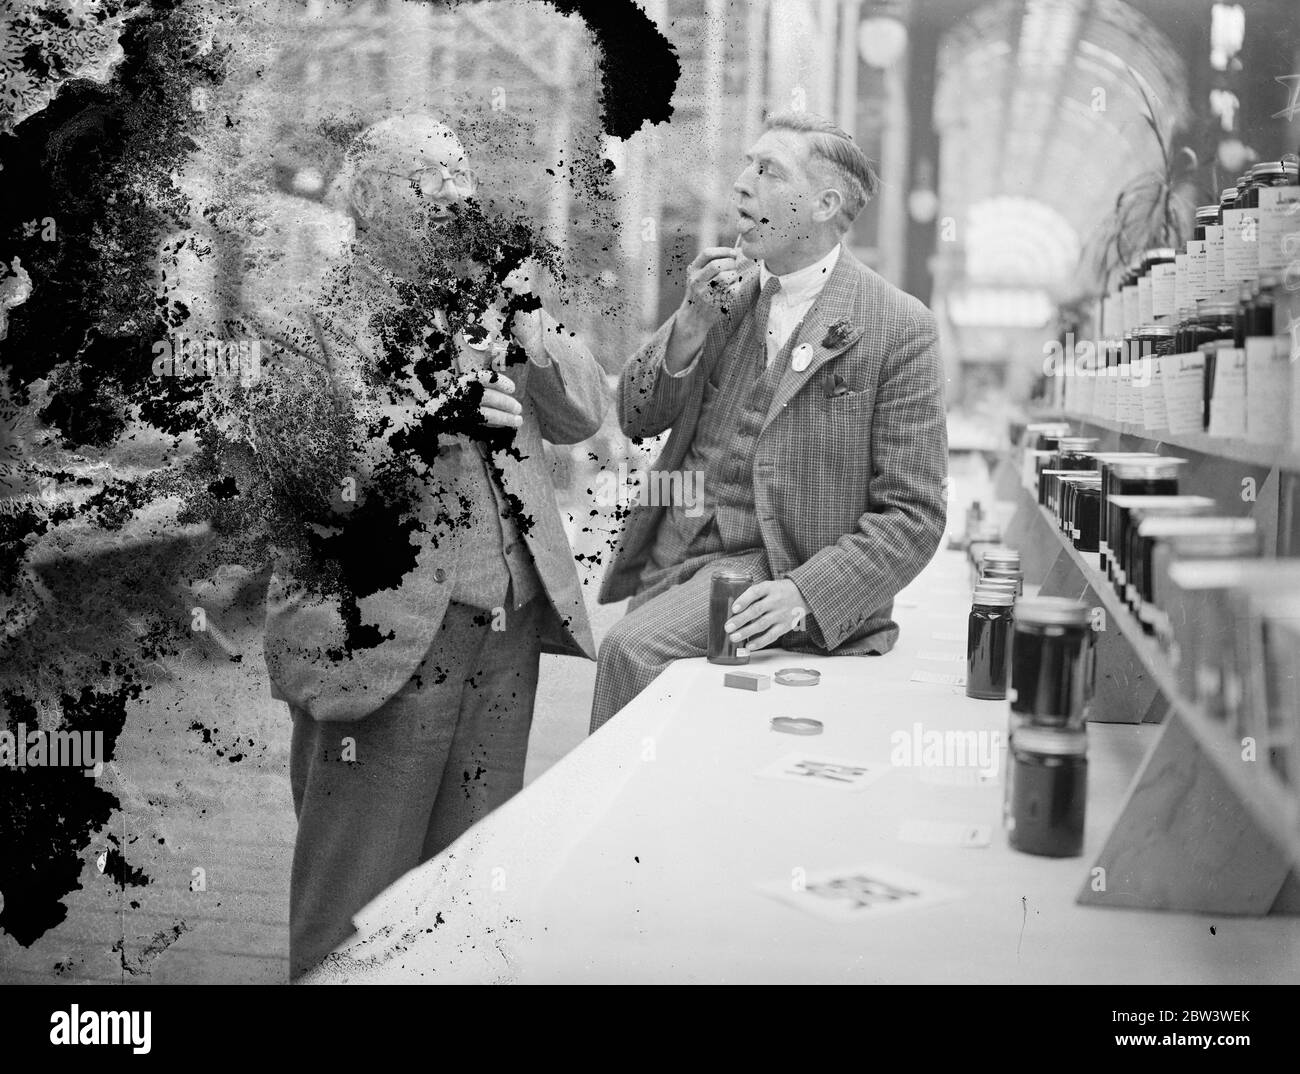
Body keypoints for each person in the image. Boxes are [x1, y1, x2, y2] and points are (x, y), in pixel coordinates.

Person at [243, 115, 608, 978]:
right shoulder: (317, 319)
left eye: (460, 177)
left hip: (504, 632)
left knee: (470, 886)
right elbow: (303, 479)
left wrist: (526, 320)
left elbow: (585, 413)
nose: (456, 196)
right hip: (382, 641)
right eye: (429, 180)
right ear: (369, 199)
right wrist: (421, 423)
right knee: (357, 902)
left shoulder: (493, 308)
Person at [591, 111, 947, 732]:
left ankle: (608, 822)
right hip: (673, 554)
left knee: (632, 651)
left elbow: (914, 514)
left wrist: (807, 595)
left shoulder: (898, 326)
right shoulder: (722, 296)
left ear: (823, 204)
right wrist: (692, 321)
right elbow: (637, 416)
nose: (741, 185)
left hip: (776, 570)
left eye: (767, 170)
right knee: (653, 684)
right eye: (746, 165)